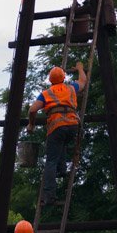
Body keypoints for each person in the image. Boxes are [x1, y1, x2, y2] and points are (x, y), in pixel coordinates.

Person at [27, 61, 87, 206]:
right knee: (62, 143)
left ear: (50, 80)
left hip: (57, 127)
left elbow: (32, 110)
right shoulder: (71, 88)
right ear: (63, 77)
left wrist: (31, 124)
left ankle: (49, 196)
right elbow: (83, 81)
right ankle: (61, 169)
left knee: (50, 161)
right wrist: (80, 68)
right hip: (73, 126)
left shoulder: (46, 94)